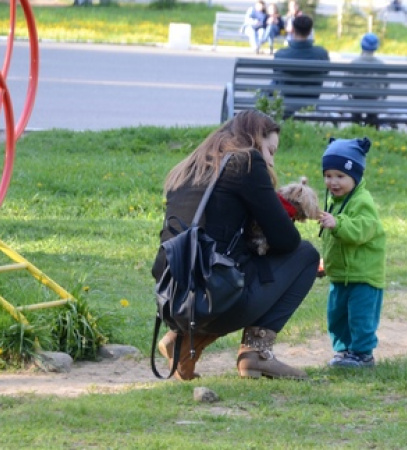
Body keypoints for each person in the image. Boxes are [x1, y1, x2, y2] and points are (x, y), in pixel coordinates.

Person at [152, 110, 320, 380]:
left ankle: (182, 341)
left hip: (172, 301)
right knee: (306, 255)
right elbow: (286, 240)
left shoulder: (189, 167)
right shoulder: (247, 162)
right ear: (255, 140)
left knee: (230, 265)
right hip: (214, 299)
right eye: (270, 150)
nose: (272, 162)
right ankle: (256, 354)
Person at [318, 137, 387, 368]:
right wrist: (324, 260)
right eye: (328, 175)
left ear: (355, 176)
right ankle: (343, 351)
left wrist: (338, 224)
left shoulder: (362, 201)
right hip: (340, 274)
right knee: (337, 316)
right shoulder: (335, 201)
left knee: (360, 317)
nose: (333, 182)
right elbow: (331, 239)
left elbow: (362, 230)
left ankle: (363, 354)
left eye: (340, 176)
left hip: (363, 275)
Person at [272, 15, 330, 108]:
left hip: (287, 104)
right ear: (310, 31)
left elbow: (276, 75)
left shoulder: (281, 54)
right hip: (312, 103)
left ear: (293, 30)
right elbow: (326, 72)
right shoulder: (321, 53)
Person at [343, 33, 388, 127]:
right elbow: (386, 86)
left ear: (362, 45)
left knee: (355, 106)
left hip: (357, 98)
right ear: (376, 47)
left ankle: (356, 126)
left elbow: (346, 84)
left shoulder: (354, 63)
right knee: (373, 107)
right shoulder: (381, 64)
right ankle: (372, 127)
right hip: (374, 100)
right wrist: (382, 97)